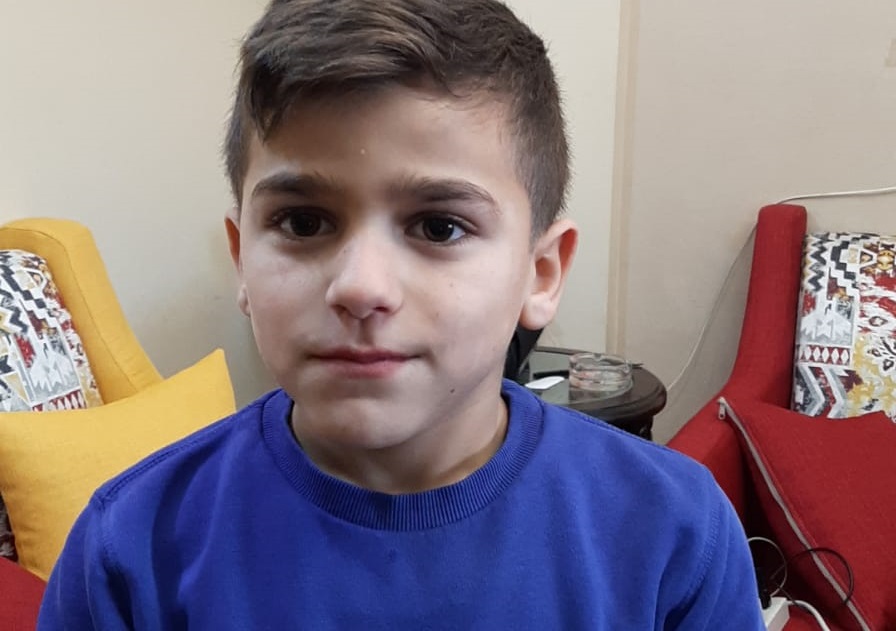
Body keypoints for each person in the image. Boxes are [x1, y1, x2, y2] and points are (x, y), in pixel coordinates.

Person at [38, 1, 765, 628]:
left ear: (540, 272)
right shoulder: (130, 550)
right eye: (302, 222)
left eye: (438, 226)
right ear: (241, 261)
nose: (360, 287)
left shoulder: (673, 533)